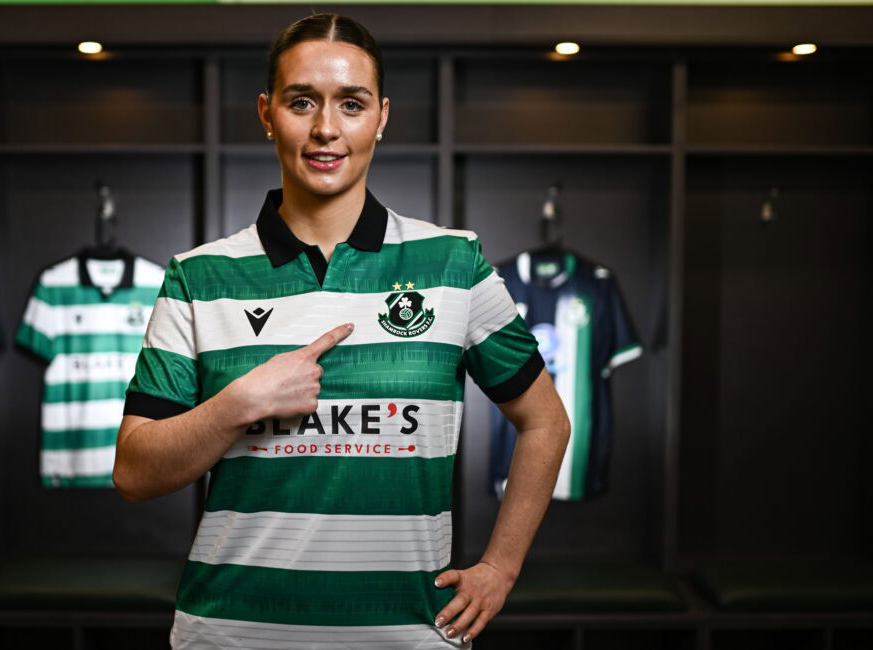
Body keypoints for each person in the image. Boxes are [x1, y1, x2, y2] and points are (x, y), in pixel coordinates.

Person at [113, 13, 571, 649]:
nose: (325, 128)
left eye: (351, 104)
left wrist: (500, 568)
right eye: (302, 101)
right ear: (267, 113)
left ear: (381, 117)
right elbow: (134, 473)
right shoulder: (199, 275)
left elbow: (546, 421)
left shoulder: (453, 263)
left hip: (407, 636)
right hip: (231, 634)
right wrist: (238, 404)